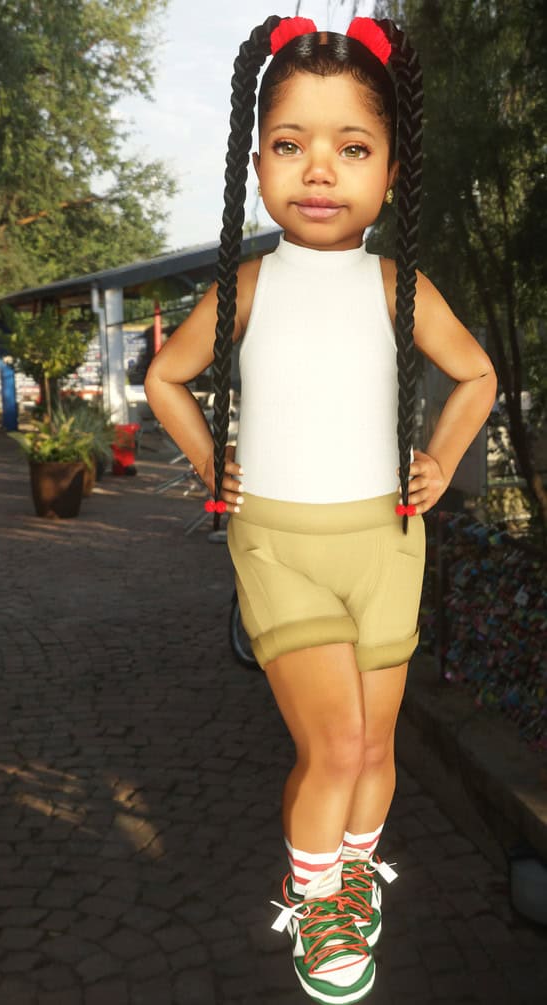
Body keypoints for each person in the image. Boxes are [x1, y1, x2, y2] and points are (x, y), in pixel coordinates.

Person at [145, 13, 497, 1004]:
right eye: (290, 145)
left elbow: (474, 375)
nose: (317, 170)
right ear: (255, 162)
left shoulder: (399, 287)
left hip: (387, 542)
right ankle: (318, 896)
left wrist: (437, 458)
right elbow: (166, 379)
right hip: (281, 547)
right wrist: (215, 463)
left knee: (374, 750)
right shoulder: (245, 287)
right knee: (334, 744)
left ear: (389, 172)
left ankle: (350, 868)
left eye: (350, 148)